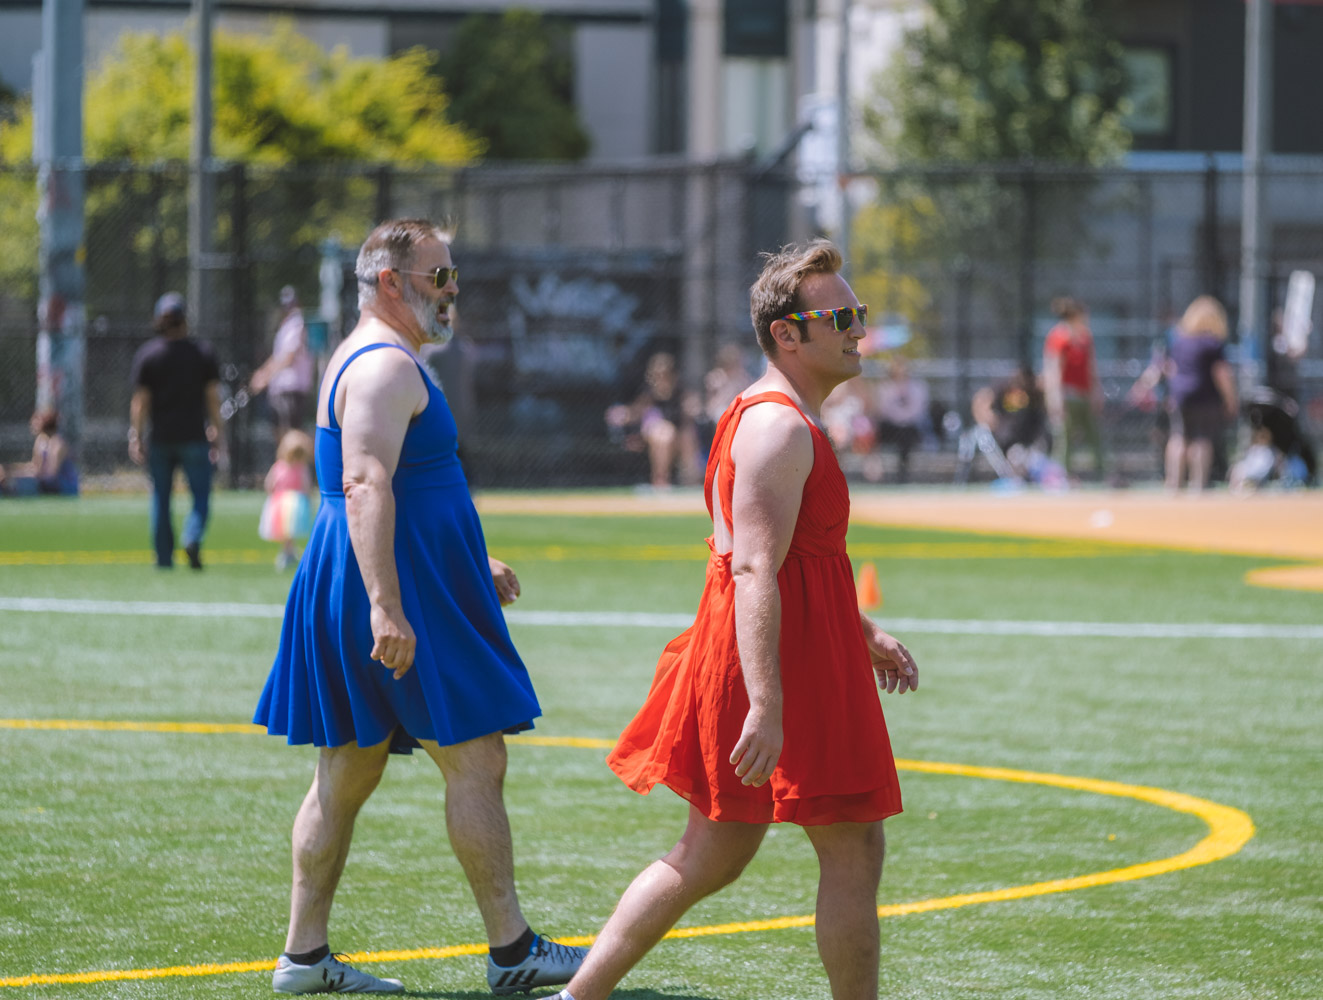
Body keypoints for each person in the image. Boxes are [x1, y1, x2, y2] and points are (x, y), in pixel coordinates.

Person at [554, 240, 918, 1000]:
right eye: (842, 315)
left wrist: (862, 632)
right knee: (848, 848)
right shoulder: (779, 427)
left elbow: (788, 560)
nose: (858, 329)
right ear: (788, 334)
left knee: (713, 854)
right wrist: (768, 702)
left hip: (783, 650)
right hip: (776, 663)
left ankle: (574, 997)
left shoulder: (770, 417)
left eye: (858, 313)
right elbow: (754, 567)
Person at [252, 219, 586, 996]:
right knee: (473, 754)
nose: (452, 289)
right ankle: (513, 952)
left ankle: (304, 959)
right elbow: (364, 484)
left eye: (452, 274)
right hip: (393, 588)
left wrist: (473, 555)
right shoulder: (380, 368)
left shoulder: (387, 360)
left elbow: (402, 484)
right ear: (391, 283)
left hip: (401, 573)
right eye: (438, 276)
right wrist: (384, 607)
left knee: (346, 768)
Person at [129, 292, 226, 569]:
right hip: (194, 436)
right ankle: (192, 537)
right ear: (185, 320)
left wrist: (136, 436)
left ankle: (163, 558)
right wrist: (218, 432)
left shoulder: (148, 355)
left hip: (160, 438)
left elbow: (140, 403)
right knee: (201, 497)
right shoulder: (202, 353)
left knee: (160, 498)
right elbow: (212, 398)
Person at [1164, 295, 1238, 492]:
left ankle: (1174, 483)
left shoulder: (1179, 341)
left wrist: (1173, 394)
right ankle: (1198, 484)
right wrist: (1231, 399)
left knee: (1179, 437)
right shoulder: (1213, 344)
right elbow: (1221, 373)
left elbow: (1171, 369)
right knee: (1201, 439)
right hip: (1205, 397)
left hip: (1181, 395)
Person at [605, 352, 701, 488]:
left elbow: (692, 413)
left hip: (679, 439)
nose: (661, 378)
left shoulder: (681, 393)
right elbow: (635, 413)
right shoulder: (648, 394)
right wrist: (622, 414)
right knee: (665, 433)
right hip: (656, 437)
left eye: (665, 374)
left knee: (687, 435)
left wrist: (693, 408)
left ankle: (692, 480)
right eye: (657, 375)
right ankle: (661, 481)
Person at [1043, 297, 1104, 480]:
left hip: (1083, 394)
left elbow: (1091, 368)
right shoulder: (1059, 337)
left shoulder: (1085, 337)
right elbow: (1053, 370)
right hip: (1067, 395)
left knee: (1094, 435)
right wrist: (1055, 398)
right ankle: (1060, 477)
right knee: (1065, 438)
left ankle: (1104, 474)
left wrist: (1096, 392)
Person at [250, 285, 315, 435]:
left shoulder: (297, 323)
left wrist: (265, 377)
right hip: (281, 390)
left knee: (291, 438)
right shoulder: (285, 326)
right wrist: (262, 373)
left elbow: (288, 357)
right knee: (281, 435)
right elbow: (278, 356)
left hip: (291, 389)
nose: (288, 307)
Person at [260, 429, 316, 570]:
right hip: (296, 503)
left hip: (280, 502)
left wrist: (272, 497)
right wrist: (309, 499)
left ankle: (288, 551)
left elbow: (269, 484)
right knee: (290, 530)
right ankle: (288, 552)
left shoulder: (278, 466)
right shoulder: (301, 468)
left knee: (286, 531)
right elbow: (306, 486)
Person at [873, 356, 930, 483]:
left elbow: (918, 411)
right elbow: (883, 410)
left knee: (906, 435)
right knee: (875, 432)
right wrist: (899, 418)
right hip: (890, 425)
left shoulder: (917, 387)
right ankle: (875, 473)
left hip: (910, 427)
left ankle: (902, 473)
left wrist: (903, 419)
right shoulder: (884, 388)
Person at [0, 408, 78, 495]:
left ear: (46, 422)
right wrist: (9, 470)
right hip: (46, 482)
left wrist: (18, 476)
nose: (32, 423)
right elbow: (36, 467)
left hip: (63, 487)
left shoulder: (58, 444)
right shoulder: (41, 441)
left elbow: (51, 475)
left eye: (36, 420)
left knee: (19, 485)